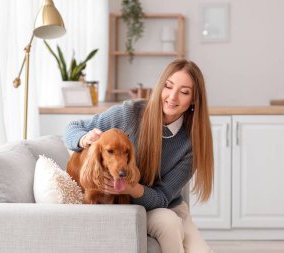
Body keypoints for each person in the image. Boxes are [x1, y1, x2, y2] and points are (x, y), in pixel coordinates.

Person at [64, 59, 214, 253]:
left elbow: (162, 199)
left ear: (194, 99)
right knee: (169, 224)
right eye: (168, 87)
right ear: (161, 86)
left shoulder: (191, 143)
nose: (172, 97)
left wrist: (130, 188)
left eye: (184, 92)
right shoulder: (130, 113)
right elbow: (72, 128)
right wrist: (85, 138)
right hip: (130, 207)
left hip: (166, 206)